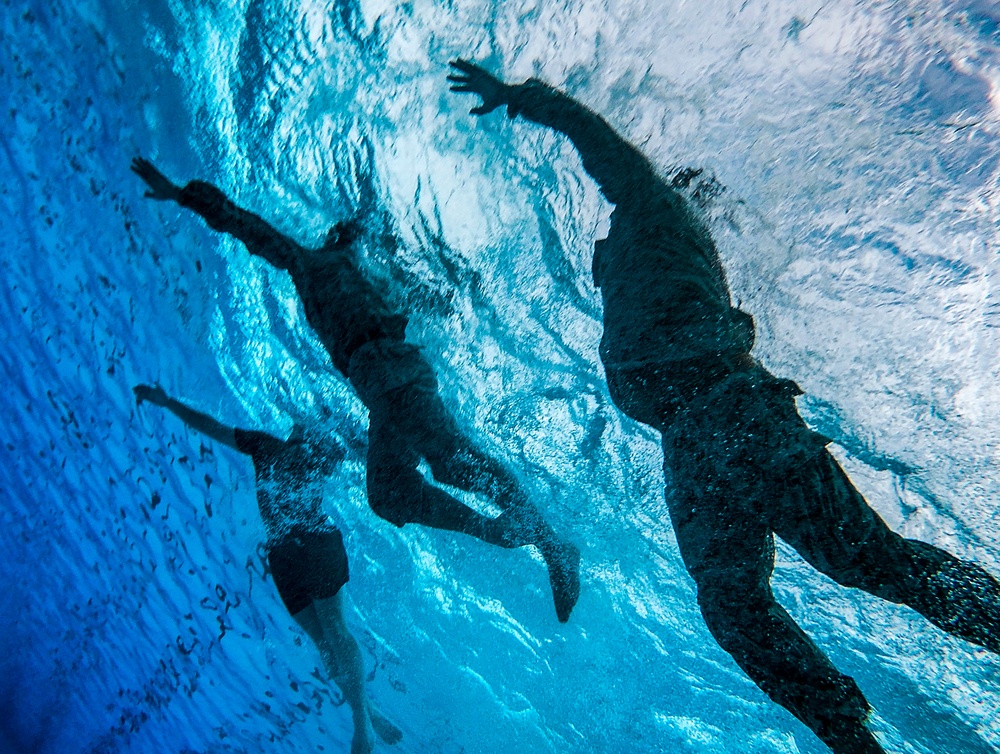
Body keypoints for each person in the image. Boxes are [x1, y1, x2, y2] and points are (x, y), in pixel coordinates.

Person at [449, 59, 1000, 753]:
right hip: (688, 443)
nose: (597, 257)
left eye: (604, 249)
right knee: (730, 604)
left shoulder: (651, 206)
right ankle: (848, 732)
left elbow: (594, 138)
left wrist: (518, 97)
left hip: (732, 412)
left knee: (870, 564)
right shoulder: (645, 261)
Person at [130, 157, 580, 623]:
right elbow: (416, 292)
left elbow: (250, 228)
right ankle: (509, 533)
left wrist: (183, 194)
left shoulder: (311, 265)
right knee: (390, 492)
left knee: (450, 462)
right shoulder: (362, 271)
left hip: (390, 376)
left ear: (331, 241)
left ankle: (548, 544)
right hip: (384, 386)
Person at [132, 384, 401, 754]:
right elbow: (211, 426)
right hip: (282, 557)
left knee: (335, 629)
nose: (301, 428)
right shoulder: (264, 445)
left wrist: (381, 427)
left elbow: (373, 453)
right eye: (300, 424)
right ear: (294, 425)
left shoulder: (324, 451)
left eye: (308, 426)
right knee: (322, 640)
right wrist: (169, 402)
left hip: (317, 542)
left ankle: (362, 728)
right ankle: (367, 711)